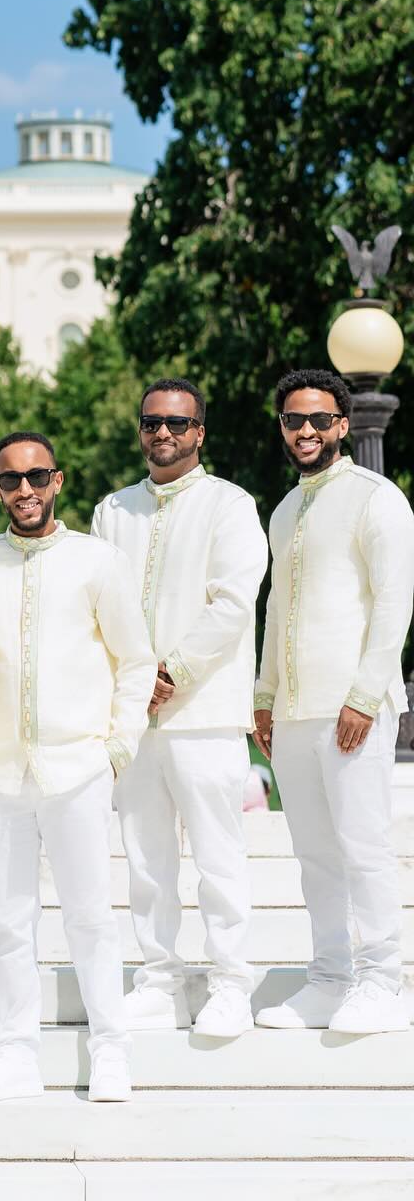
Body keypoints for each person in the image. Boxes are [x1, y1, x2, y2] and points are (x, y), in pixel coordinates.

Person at [0, 434, 154, 1107]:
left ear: (58, 480)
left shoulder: (98, 561)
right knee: (8, 920)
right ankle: (14, 1050)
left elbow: (137, 662)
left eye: (37, 476)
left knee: (91, 916)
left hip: (78, 766)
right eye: (11, 479)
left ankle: (110, 1046)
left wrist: (117, 748)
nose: (25, 490)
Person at [90, 379, 266, 1036]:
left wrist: (173, 673)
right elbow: (101, 606)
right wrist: (130, 688)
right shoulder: (113, 510)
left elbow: (232, 601)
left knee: (218, 857)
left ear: (199, 432)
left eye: (176, 423)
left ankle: (229, 986)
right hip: (135, 718)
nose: (162, 433)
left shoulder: (229, 505)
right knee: (145, 859)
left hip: (206, 712)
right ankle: (158, 982)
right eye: (151, 423)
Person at [253, 368, 414, 1034]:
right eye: (295, 420)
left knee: (363, 845)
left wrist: (365, 695)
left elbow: (395, 603)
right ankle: (328, 978)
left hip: (354, 708)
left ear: (344, 425)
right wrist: (263, 697)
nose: (307, 430)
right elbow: (276, 611)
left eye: (320, 419)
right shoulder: (285, 510)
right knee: (314, 852)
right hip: (292, 713)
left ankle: (386, 981)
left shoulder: (377, 498)